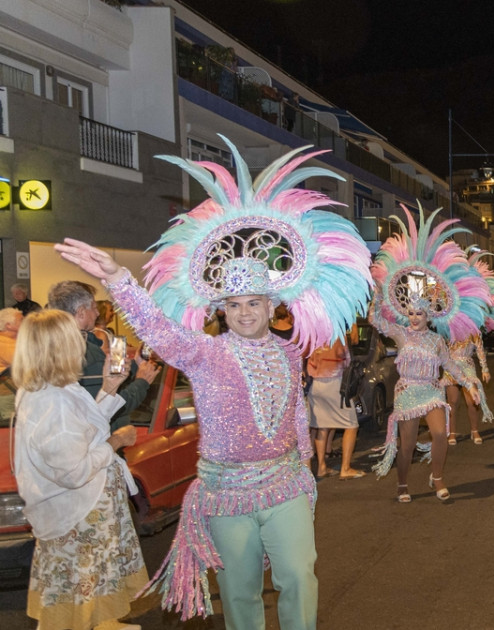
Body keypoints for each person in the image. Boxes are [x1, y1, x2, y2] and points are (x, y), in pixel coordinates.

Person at [56, 142, 373, 627]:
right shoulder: (204, 353)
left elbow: (294, 410)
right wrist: (119, 278)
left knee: (299, 576)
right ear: (220, 311)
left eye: (254, 303)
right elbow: (158, 330)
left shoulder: (290, 354)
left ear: (273, 306)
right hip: (226, 491)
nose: (245, 312)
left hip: (285, 482)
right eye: (234, 305)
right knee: (240, 591)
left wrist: (306, 466)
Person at [12, 309, 146, 630]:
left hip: (82, 511)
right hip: (76, 513)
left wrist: (109, 390)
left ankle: (102, 624)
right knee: (76, 592)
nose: (83, 346)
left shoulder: (52, 388)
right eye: (76, 340)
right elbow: (74, 471)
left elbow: (84, 429)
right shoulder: (52, 400)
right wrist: (115, 441)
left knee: (85, 587)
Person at [369, 208, 491, 503]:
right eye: (410, 312)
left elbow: (450, 365)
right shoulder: (401, 334)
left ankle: (437, 477)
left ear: (429, 315)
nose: (413, 318)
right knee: (407, 446)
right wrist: (378, 292)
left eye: (419, 313)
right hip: (408, 391)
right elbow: (376, 321)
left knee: (439, 433)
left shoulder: (438, 340)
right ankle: (402, 483)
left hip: (431, 391)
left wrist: (471, 384)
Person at [47, 281, 158, 431]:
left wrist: (136, 364)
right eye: (93, 307)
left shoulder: (48, 346)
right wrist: (142, 382)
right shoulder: (85, 352)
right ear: (81, 313)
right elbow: (109, 407)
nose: (97, 313)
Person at [307, 336, 365, 479]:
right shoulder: (338, 336)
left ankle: (321, 467)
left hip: (316, 385)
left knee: (322, 425)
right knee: (351, 425)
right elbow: (347, 361)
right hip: (335, 383)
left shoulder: (314, 336)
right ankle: (345, 468)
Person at [444, 332, 492, 445]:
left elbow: (480, 349)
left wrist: (485, 369)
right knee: (452, 401)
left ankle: (474, 431)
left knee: (472, 401)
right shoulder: (447, 328)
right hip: (451, 367)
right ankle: (452, 432)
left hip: (468, 367)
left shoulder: (473, 331)